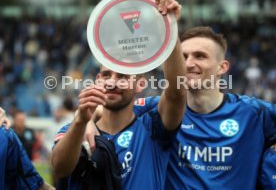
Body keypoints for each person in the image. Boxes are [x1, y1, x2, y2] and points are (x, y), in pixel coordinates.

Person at [86, 26, 276, 190]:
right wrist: (88, 121)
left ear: (223, 67)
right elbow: (111, 109)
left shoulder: (255, 113)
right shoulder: (156, 110)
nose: (188, 64)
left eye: (200, 56)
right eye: (183, 57)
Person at [51, 0, 186, 190]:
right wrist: (80, 122)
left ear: (140, 85)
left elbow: (176, 93)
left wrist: (169, 29)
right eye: (107, 75)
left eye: (123, 77)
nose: (113, 82)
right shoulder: (75, 129)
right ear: (98, 80)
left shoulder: (153, 129)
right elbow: (59, 169)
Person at [0, 107, 54, 189]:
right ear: (14, 120)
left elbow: (36, 145)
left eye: (23, 120)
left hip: (27, 162)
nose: (22, 122)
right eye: (19, 120)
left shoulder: (29, 131)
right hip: (21, 163)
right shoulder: (8, 133)